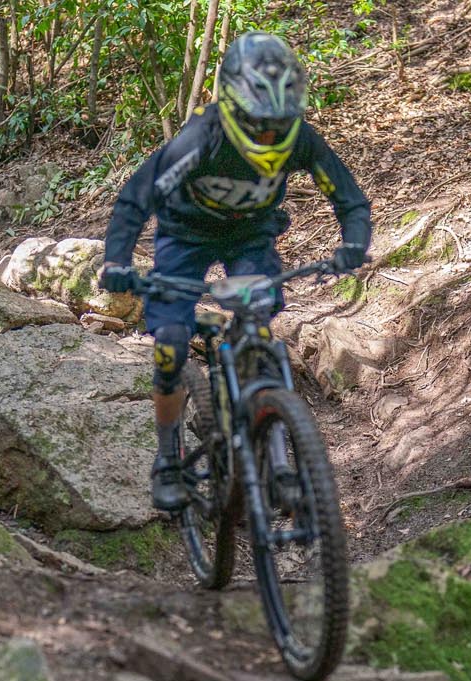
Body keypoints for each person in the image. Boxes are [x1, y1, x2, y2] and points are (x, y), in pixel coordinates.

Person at [99, 32, 371, 513]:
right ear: (232, 107)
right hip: (184, 237)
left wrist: (354, 244)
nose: (268, 134)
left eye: (279, 123)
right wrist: (117, 261)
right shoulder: (203, 136)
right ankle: (168, 462)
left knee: (258, 323)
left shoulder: (301, 139)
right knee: (171, 344)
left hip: (250, 236)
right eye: (258, 123)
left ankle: (272, 447)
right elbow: (138, 196)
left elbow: (348, 198)